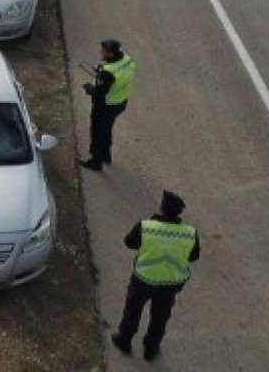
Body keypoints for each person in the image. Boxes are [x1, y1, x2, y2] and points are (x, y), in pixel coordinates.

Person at [111, 190, 201, 361]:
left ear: (161, 207)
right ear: (178, 213)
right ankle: (151, 349)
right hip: (171, 283)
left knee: (133, 309)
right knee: (161, 315)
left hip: (143, 279)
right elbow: (194, 257)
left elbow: (129, 242)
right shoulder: (190, 233)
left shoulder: (146, 227)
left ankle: (124, 339)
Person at [79, 38, 135, 171]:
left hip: (105, 105)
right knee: (107, 128)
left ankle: (96, 161)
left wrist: (89, 88)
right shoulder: (127, 60)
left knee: (98, 132)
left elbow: (99, 92)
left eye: (103, 51)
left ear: (110, 53)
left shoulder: (108, 73)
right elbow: (116, 74)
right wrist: (101, 72)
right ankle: (106, 155)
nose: (101, 52)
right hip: (120, 102)